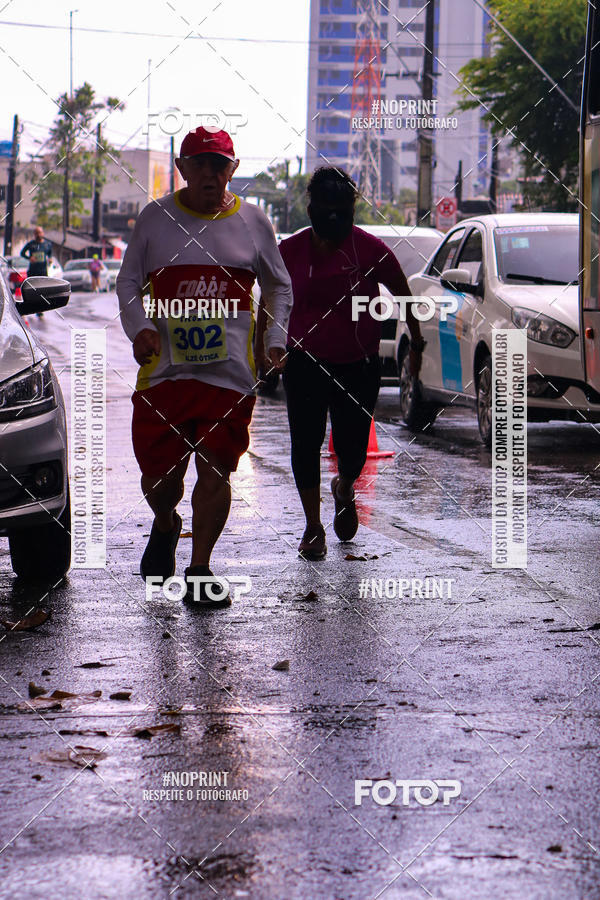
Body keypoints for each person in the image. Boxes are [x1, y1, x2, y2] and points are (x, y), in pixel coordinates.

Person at [117, 126, 292, 607]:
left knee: (216, 470)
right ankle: (166, 522)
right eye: (201, 165)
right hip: (165, 374)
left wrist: (274, 339)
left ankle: (200, 571)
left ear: (233, 170)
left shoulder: (253, 222)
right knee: (161, 480)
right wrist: (140, 329)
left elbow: (279, 285)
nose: (211, 174)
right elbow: (128, 282)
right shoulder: (155, 219)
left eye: (220, 165)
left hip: (229, 375)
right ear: (183, 169)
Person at [274, 167, 424, 560]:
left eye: (343, 211)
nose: (335, 220)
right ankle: (312, 526)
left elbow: (403, 293)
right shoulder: (289, 251)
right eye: (327, 211)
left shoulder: (369, 249)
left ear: (353, 211)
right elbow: (271, 299)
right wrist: (265, 346)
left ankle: (344, 487)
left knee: (353, 450)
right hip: (304, 362)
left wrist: (417, 342)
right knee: (305, 444)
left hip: (357, 365)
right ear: (311, 210)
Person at [21, 226, 54, 317]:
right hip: (33, 271)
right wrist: (29, 258)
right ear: (34, 234)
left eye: (40, 232)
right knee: (33, 290)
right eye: (36, 233)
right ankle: (34, 307)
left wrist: (50, 259)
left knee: (42, 290)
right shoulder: (31, 244)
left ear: (43, 233)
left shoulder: (47, 244)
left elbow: (50, 253)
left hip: (43, 271)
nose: (38, 235)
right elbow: (22, 253)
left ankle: (40, 309)